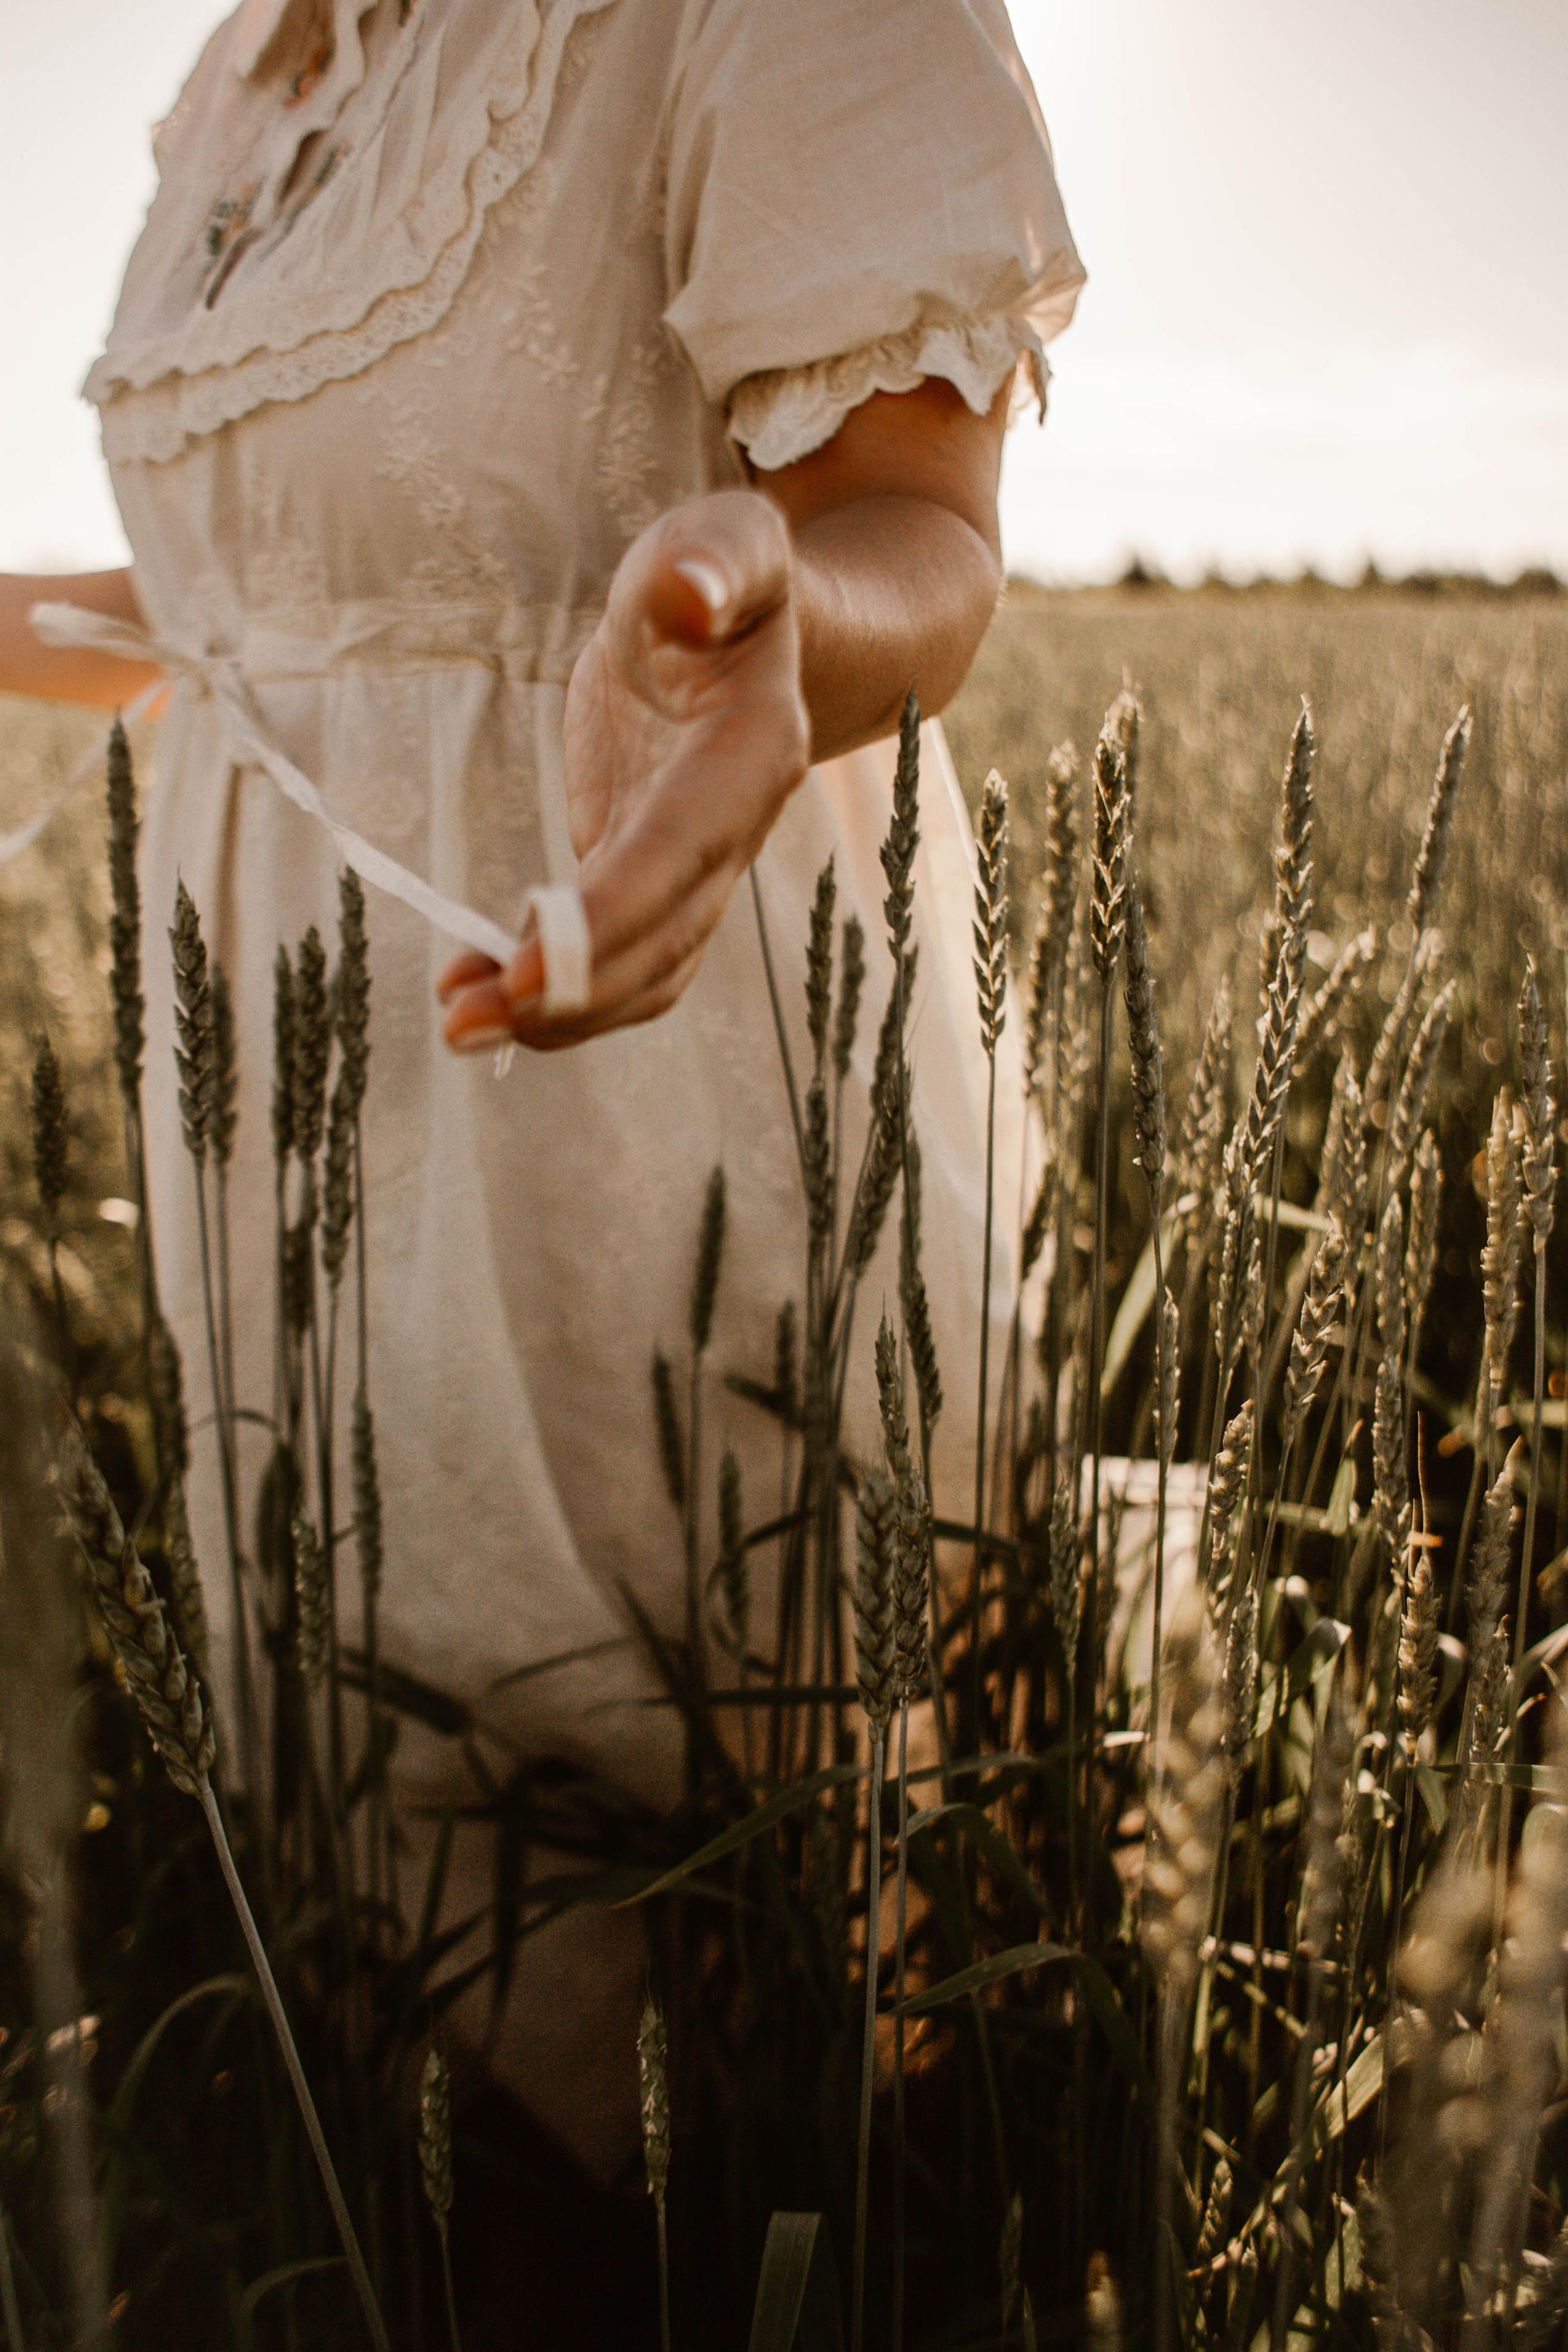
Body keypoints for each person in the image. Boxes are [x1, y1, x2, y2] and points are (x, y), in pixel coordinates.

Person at [0, 0, 1082, 2187]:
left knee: (734, 2002)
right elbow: (276, 602)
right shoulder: (259, 76)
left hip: (641, 1083)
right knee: (388, 1872)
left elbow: (909, 520)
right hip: (286, 1133)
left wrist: (786, 628)